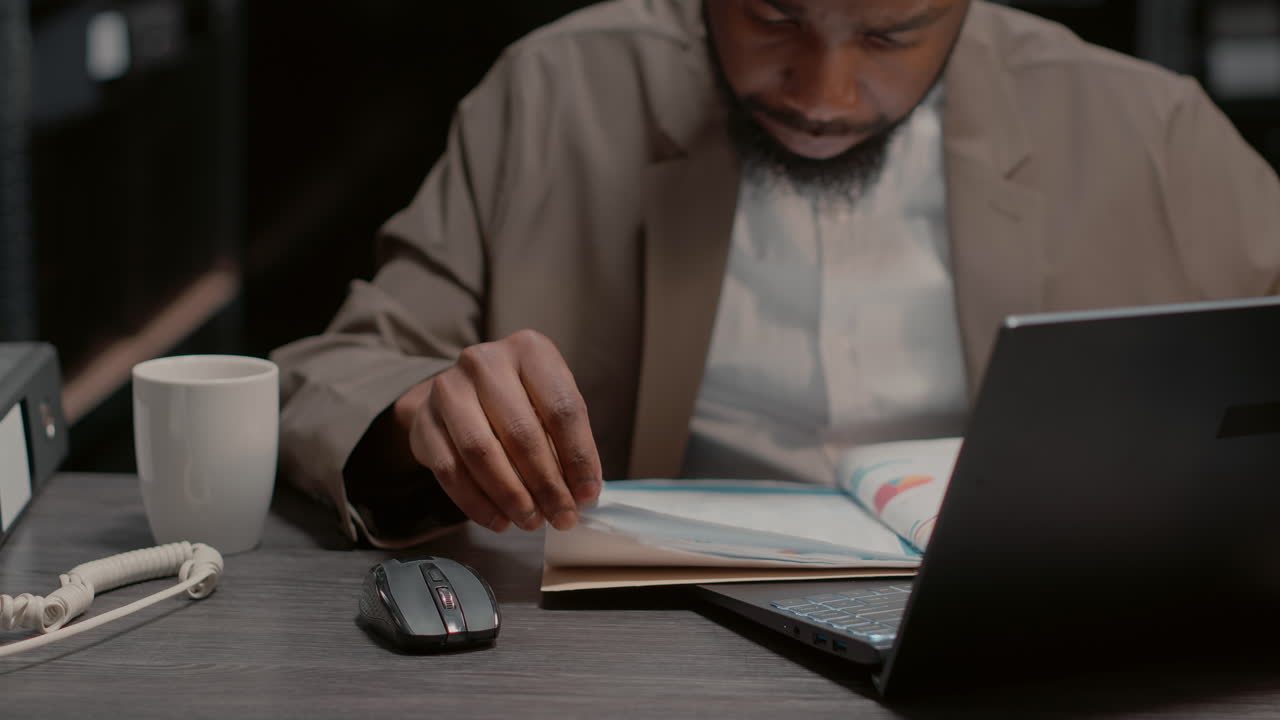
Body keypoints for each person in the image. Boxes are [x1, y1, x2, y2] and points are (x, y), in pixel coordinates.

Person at [271, 0, 1280, 548]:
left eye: (888, 36)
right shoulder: (558, 90)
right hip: (645, 649)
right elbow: (336, 367)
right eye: (772, 18)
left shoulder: (1144, 129)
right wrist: (416, 414)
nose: (823, 94)